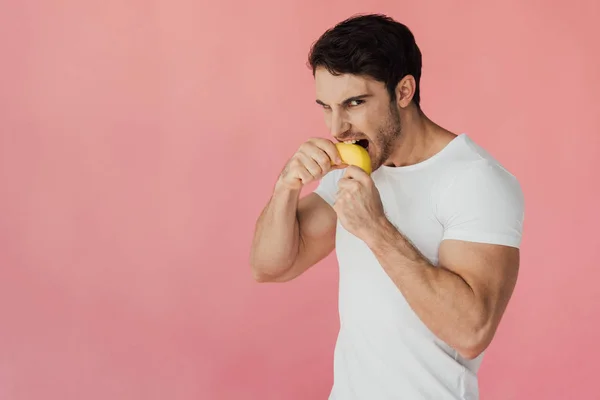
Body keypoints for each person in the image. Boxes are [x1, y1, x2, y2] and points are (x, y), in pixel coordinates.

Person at [249, 13, 524, 400]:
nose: (337, 128)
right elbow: (270, 266)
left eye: (355, 103)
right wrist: (286, 187)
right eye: (326, 107)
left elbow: (471, 332)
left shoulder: (475, 180)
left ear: (404, 90)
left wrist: (375, 229)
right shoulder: (358, 168)